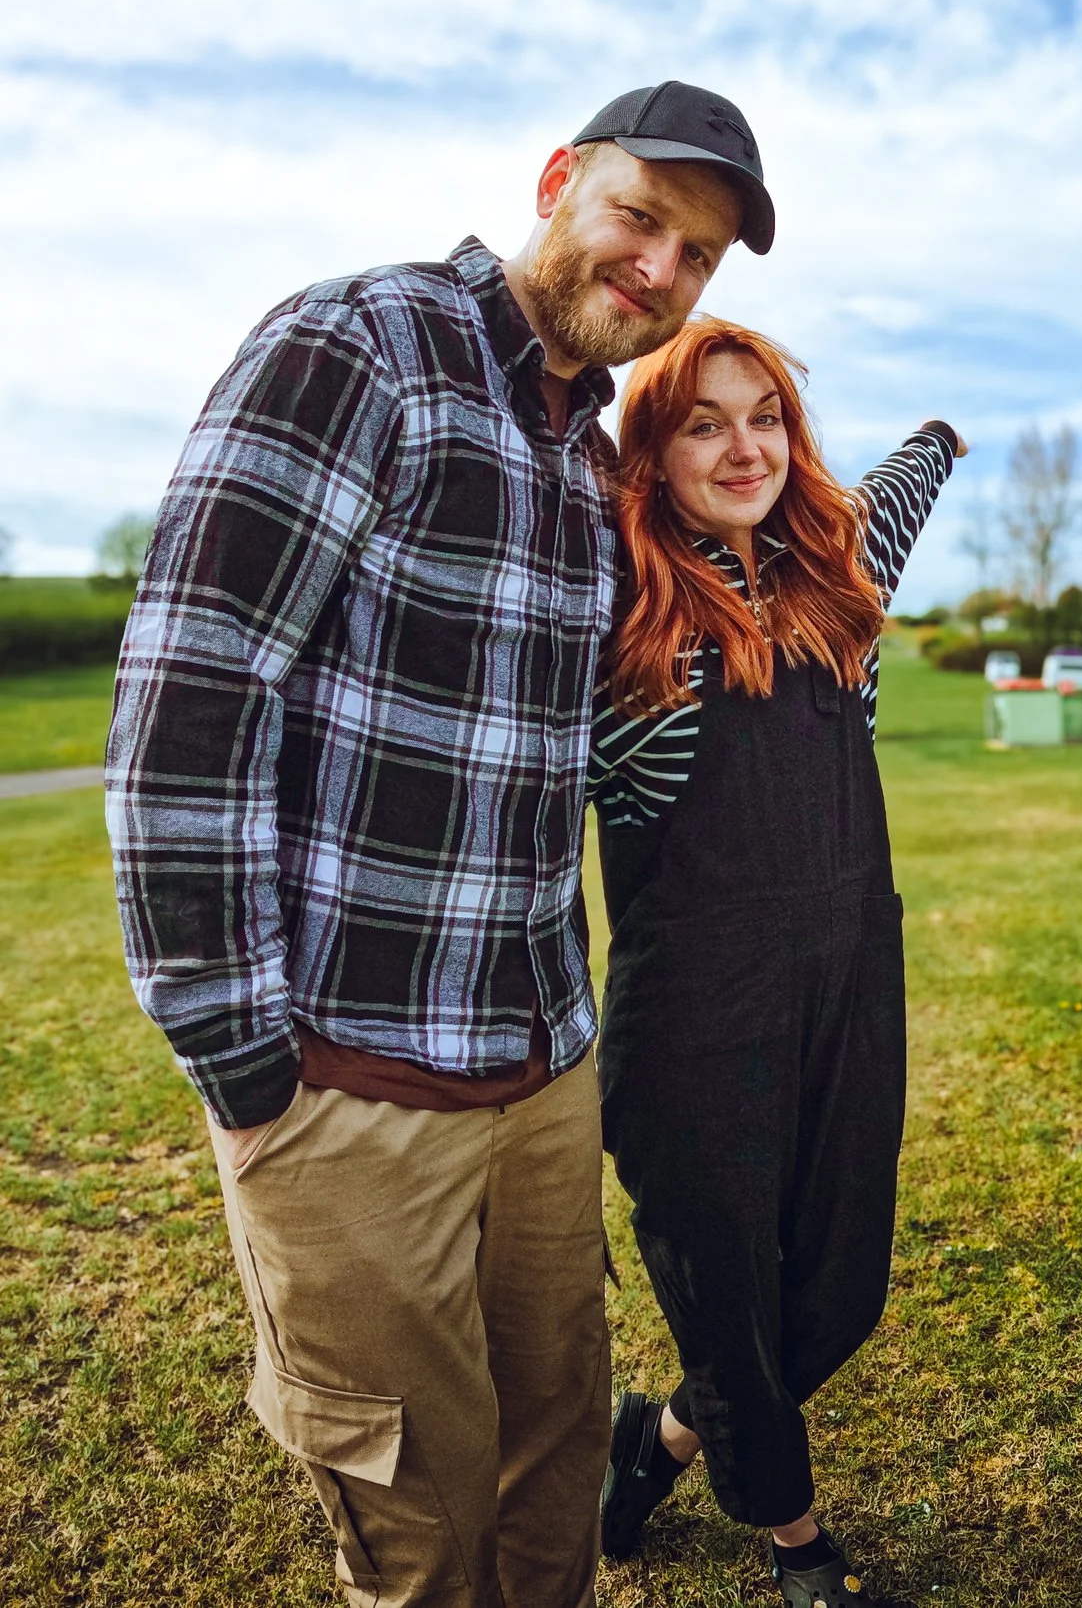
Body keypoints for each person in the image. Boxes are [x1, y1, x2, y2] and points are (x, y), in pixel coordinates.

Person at [106, 82, 774, 1605]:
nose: (662, 271)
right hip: (348, 1091)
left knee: (547, 1495)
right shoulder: (364, 348)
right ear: (558, 177)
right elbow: (189, 700)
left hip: (538, 1081)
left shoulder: (577, 451)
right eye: (640, 217)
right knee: (417, 1532)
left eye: (700, 256)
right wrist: (242, 1065)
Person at [586, 315, 958, 1607]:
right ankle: (803, 1551)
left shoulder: (837, 590)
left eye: (767, 416)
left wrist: (943, 436)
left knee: (840, 1286)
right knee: (729, 1288)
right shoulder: (619, 617)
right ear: (655, 449)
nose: (744, 444)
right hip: (693, 1005)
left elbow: (899, 490)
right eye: (705, 420)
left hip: (850, 970)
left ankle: (661, 1436)